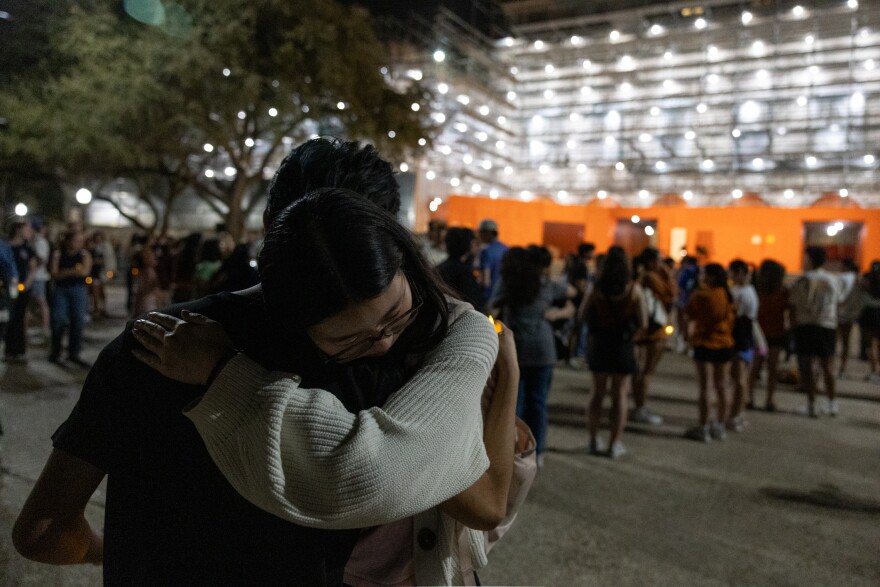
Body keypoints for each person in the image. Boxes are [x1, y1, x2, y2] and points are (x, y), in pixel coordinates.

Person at [12, 139, 518, 585]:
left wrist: (114, 552)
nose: (379, 339)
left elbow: (42, 531)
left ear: (269, 230)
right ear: (389, 240)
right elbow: (481, 500)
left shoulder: (153, 342)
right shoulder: (392, 366)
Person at [493, 245, 574, 467]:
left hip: (515, 348)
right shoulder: (546, 286)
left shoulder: (509, 283)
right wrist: (561, 311)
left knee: (512, 403)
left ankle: (510, 450)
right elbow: (572, 293)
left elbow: (491, 306)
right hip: (543, 349)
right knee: (538, 403)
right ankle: (537, 452)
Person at [583, 246, 646, 458]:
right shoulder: (633, 290)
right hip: (623, 345)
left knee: (597, 393)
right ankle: (614, 443)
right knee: (620, 394)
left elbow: (583, 315)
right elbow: (643, 322)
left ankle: (592, 439)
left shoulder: (597, 289)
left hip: (600, 343)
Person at [684, 264, 735, 442]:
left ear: (711, 277)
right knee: (722, 386)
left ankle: (703, 427)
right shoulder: (726, 294)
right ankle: (720, 425)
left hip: (705, 343)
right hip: (725, 343)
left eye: (704, 274)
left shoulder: (701, 295)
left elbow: (688, 314)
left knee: (705, 388)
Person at [790, 246, 840, 417]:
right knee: (828, 365)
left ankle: (811, 404)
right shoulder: (832, 279)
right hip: (828, 325)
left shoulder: (803, 281)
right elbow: (837, 301)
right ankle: (832, 403)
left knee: (808, 366)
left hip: (807, 325)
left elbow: (794, 305)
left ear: (810, 259)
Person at [631, 247, 676, 425]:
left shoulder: (640, 276)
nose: (661, 263)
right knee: (647, 371)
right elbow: (671, 294)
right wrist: (669, 275)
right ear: (651, 261)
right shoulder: (651, 277)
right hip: (653, 329)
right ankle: (640, 407)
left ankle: (638, 405)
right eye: (659, 260)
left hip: (643, 328)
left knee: (639, 370)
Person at [749, 259, 789, 412]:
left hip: (762, 334)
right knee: (770, 367)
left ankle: (753, 397)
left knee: (757, 366)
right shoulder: (781, 291)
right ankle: (767, 399)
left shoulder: (758, 290)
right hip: (772, 334)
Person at [48, 229, 92, 367]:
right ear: (67, 241)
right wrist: (73, 271)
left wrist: (65, 272)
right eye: (75, 240)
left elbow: (85, 272)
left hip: (78, 290)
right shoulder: (58, 254)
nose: (77, 244)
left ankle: (74, 353)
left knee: (77, 320)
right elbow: (54, 274)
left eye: (80, 241)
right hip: (61, 290)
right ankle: (55, 352)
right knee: (58, 320)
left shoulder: (84, 254)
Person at [727, 259, 758, 432]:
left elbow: (735, 314)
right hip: (745, 338)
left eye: (731, 272)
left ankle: (734, 415)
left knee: (738, 380)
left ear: (738, 272)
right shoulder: (750, 290)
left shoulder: (741, 293)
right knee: (741, 379)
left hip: (739, 338)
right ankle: (738, 414)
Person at [4, 221, 37, 362]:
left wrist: (27, 282)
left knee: (19, 317)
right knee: (8, 318)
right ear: (18, 230)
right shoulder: (6, 247)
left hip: (22, 288)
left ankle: (19, 349)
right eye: (26, 229)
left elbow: (33, 267)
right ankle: (9, 349)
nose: (29, 232)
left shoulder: (27, 249)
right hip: (7, 288)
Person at [436, 226, 484, 312]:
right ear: (467, 245)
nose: (478, 247)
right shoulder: (465, 273)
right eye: (474, 243)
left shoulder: (438, 269)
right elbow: (475, 304)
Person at [566, 242, 595, 365]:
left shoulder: (576, 264)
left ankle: (571, 355)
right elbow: (580, 285)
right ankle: (573, 355)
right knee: (577, 329)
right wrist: (588, 298)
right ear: (585, 252)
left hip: (575, 301)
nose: (592, 255)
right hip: (578, 302)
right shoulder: (581, 266)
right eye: (591, 252)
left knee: (575, 329)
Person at [836, 259, 863, 378]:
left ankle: (829, 366)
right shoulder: (858, 280)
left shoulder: (841, 278)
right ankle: (842, 367)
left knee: (833, 341)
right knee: (845, 342)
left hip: (838, 313)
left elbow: (837, 296)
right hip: (850, 314)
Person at [476, 218, 508, 308]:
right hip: (501, 298)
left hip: (488, 298)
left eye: (481, 232)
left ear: (488, 233)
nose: (479, 235)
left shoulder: (486, 251)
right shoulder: (505, 249)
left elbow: (485, 281)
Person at [28, 217, 51, 338]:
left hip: (38, 276)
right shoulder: (33, 240)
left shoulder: (40, 242)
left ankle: (45, 327)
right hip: (33, 276)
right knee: (31, 303)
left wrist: (30, 261)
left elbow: (42, 259)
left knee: (41, 301)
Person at [858, 261, 880, 383]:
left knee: (870, 345)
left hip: (868, 313)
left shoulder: (866, 278)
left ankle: (873, 372)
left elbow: (861, 293)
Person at [675, 255, 699, 353]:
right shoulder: (699, 271)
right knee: (692, 323)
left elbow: (680, 285)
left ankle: (685, 344)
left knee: (684, 323)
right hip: (697, 301)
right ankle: (691, 346)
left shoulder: (686, 271)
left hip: (685, 301)